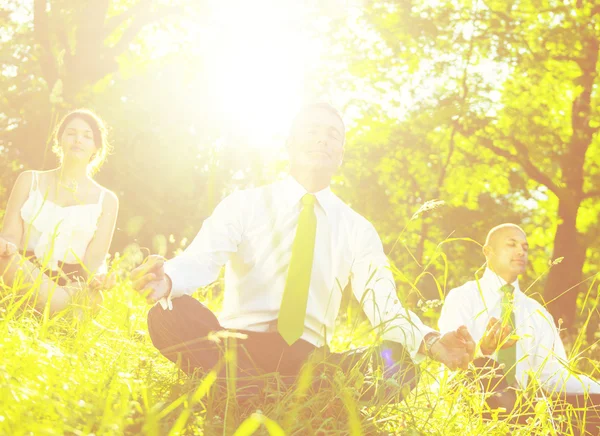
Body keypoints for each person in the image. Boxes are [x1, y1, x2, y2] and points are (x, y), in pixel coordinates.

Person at [131, 103, 474, 399]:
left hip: (311, 362)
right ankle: (254, 390)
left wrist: (430, 341)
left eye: (333, 135)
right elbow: (203, 259)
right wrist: (167, 279)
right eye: (311, 131)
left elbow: (383, 305)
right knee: (167, 314)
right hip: (235, 347)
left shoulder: (357, 229)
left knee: (399, 365)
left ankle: (250, 394)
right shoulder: (246, 204)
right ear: (289, 144)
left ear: (341, 154)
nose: (323, 138)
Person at [439, 223, 600, 434]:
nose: (520, 251)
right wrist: (482, 350)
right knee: (486, 368)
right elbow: (450, 354)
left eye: (525, 247)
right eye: (511, 244)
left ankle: (534, 426)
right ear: (488, 252)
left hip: (524, 407)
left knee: (594, 407)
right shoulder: (463, 297)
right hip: (470, 400)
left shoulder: (537, 312)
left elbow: (554, 375)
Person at [0, 109, 119, 314]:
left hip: (70, 283)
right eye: (71, 133)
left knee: (93, 296)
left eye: (87, 136)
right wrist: (5, 245)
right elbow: (10, 236)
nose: (78, 139)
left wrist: (100, 276)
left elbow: (95, 261)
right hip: (23, 273)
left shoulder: (107, 200)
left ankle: (36, 308)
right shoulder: (29, 180)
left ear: (96, 147)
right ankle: (60, 312)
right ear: (60, 140)